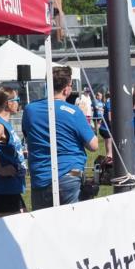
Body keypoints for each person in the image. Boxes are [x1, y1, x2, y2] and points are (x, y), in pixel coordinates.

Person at [22, 66, 98, 209]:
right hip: (69, 174)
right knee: (71, 224)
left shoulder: (30, 110)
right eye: (71, 85)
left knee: (43, 226)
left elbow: (27, 135)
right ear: (66, 89)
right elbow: (93, 145)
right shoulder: (74, 112)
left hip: (40, 177)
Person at [0, 87, 27, 217]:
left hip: (7, 187)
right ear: (8, 103)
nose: (19, 103)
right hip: (3, 187)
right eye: (17, 100)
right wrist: (1, 169)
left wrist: (21, 154)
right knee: (15, 229)